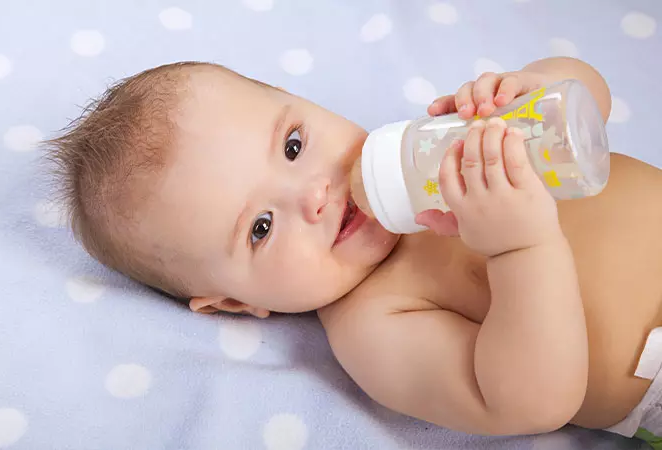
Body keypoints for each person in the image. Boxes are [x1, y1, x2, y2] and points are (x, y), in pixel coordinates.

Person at [45, 56, 662, 444]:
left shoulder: (431, 148)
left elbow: (588, 103)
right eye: (260, 227)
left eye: (292, 146)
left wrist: (536, 87)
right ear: (234, 301)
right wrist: (521, 248)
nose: (313, 195)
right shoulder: (374, 323)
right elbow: (532, 402)